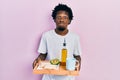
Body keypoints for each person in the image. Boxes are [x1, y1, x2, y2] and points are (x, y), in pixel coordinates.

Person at [33, 3, 82, 80]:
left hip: (68, 77)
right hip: (49, 77)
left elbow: (77, 57)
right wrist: (37, 61)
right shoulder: (46, 36)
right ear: (54, 19)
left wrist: (77, 66)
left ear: (69, 21)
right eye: (59, 17)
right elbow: (42, 55)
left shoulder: (75, 37)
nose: (61, 20)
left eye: (65, 17)